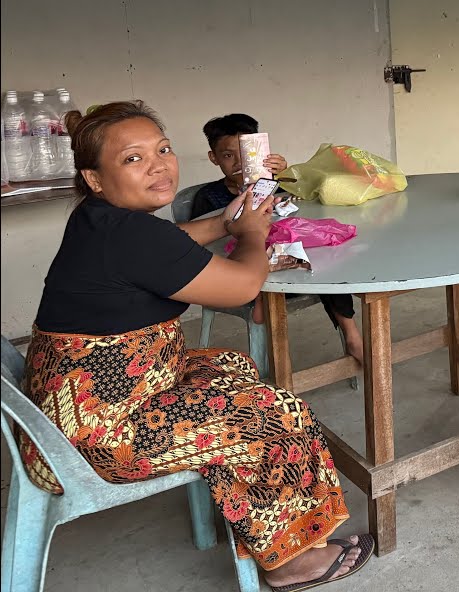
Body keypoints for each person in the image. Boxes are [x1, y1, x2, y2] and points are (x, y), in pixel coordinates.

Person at [21, 102, 373, 590]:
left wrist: (226, 222)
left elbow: (170, 241)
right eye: (133, 158)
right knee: (274, 412)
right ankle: (293, 561)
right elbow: (242, 287)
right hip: (96, 439)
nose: (159, 164)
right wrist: (252, 233)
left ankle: (259, 510)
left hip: (83, 405)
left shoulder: (101, 220)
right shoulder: (130, 233)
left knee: (230, 366)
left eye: (162, 149)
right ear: (95, 178)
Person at [193, 114, 364, 363]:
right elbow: (207, 246)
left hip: (282, 262)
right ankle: (262, 297)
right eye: (228, 155)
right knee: (267, 257)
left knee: (326, 265)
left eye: (247, 153)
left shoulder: (273, 183)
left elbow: (303, 205)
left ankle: (352, 336)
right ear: (214, 158)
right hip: (238, 268)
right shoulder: (208, 197)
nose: (240, 163)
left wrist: (285, 174)